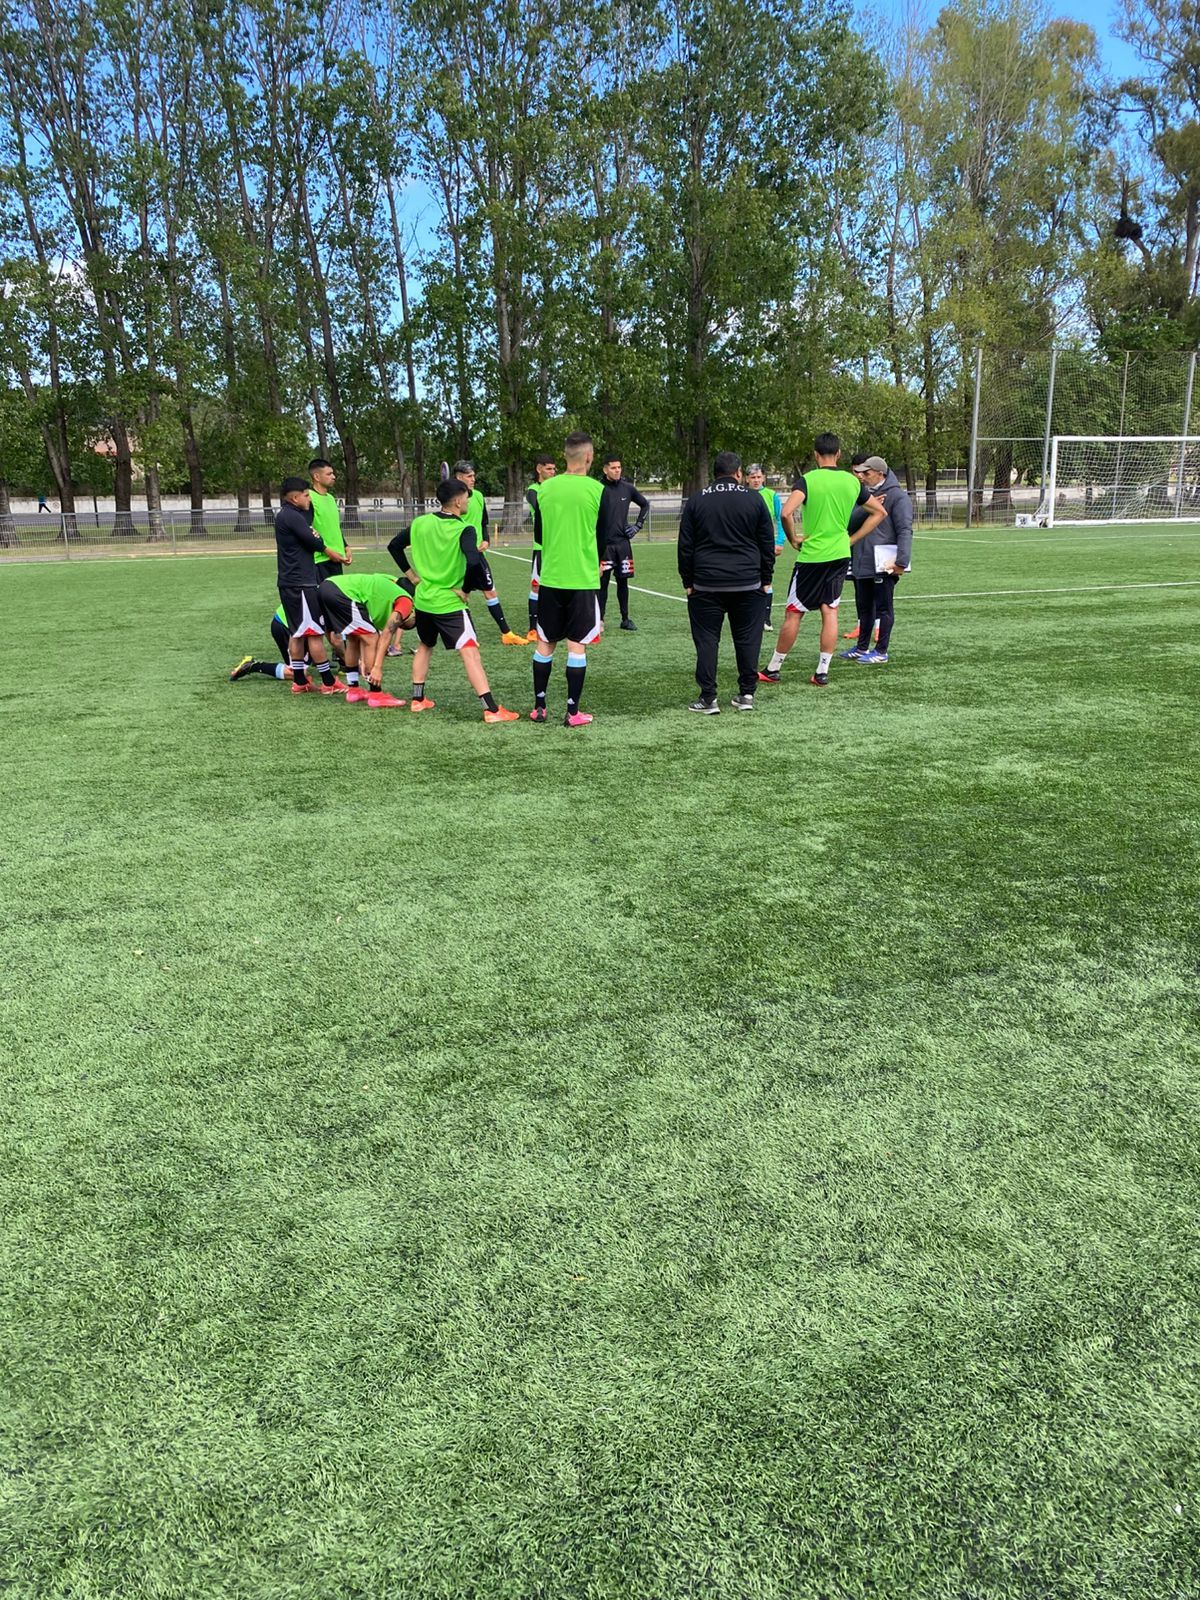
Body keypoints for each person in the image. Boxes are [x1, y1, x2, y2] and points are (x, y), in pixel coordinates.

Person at [757, 433, 886, 687]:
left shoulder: (807, 480)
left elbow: (786, 512)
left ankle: (773, 668)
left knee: (794, 612)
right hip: (839, 555)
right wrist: (851, 540)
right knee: (830, 610)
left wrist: (793, 539)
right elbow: (879, 512)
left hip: (812, 556)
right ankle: (822, 671)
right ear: (838, 454)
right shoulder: (852, 481)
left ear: (816, 455)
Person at [396, 477, 519, 722]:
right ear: (457, 501)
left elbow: (394, 546)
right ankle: (491, 710)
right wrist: (465, 589)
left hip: (424, 600)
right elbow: (474, 562)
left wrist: (411, 575)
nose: (468, 502)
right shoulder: (464, 529)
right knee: (470, 653)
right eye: (466, 498)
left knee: (425, 645)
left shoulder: (420, 523)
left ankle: (418, 700)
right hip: (449, 603)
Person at [678, 452, 776, 713]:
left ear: (715, 473)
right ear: (739, 473)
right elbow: (766, 542)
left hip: (706, 582)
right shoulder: (754, 499)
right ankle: (746, 694)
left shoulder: (698, 499)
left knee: (707, 641)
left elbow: (685, 545)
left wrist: (688, 580)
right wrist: (766, 578)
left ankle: (708, 698)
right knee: (748, 639)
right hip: (748, 582)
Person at [530, 432, 604, 725]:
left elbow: (539, 533)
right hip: (582, 579)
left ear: (564, 456)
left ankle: (539, 708)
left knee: (545, 643)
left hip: (551, 577)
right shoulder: (597, 490)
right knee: (577, 645)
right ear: (589, 456)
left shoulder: (545, 489)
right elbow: (604, 535)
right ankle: (572, 712)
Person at [274, 475, 347, 694]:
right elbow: (315, 541)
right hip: (301, 583)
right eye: (306, 495)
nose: (309, 499)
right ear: (295, 498)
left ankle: (299, 681)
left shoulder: (287, 514)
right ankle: (328, 682)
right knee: (314, 633)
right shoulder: (292, 517)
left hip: (289, 582)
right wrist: (318, 538)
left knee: (297, 633)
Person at [842, 455, 913, 665]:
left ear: (880, 474)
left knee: (884, 608)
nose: (862, 477)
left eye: (867, 473)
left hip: (884, 563)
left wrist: (901, 561)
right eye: (860, 473)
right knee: (864, 607)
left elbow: (905, 530)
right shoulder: (862, 494)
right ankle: (861, 647)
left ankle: (881, 651)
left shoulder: (898, 497)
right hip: (861, 560)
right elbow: (849, 523)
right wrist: (867, 509)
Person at [452, 458, 526, 644]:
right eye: (469, 476)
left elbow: (483, 522)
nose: (473, 479)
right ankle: (467, 635)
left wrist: (486, 539)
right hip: (459, 555)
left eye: (473, 476)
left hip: (478, 554)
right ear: (459, 477)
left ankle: (506, 634)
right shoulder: (453, 500)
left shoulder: (478, 496)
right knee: (459, 594)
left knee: (489, 591)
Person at [318, 570, 417, 704]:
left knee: (353, 638)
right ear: (413, 612)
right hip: (342, 592)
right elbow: (387, 633)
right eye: (403, 624)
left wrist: (365, 660)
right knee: (372, 638)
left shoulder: (390, 584)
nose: (401, 625)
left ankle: (354, 690)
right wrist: (377, 667)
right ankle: (376, 694)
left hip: (328, 586)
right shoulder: (407, 601)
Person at [598, 455, 649, 632]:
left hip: (623, 545)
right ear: (605, 469)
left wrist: (637, 526)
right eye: (613, 468)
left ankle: (625, 619)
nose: (617, 470)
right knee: (602, 583)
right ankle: (599, 620)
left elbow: (645, 505)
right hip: (604, 546)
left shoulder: (627, 488)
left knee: (623, 582)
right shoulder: (597, 489)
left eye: (619, 467)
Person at [746, 463, 785, 630]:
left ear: (763, 478)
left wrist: (780, 542)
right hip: (747, 546)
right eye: (753, 477)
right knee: (747, 579)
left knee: (766, 579)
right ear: (746, 479)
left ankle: (765, 619)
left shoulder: (771, 495)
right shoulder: (743, 495)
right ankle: (749, 617)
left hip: (765, 545)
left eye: (759, 477)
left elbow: (781, 519)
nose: (756, 480)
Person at [524, 453, 557, 641]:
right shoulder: (533, 490)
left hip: (558, 545)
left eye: (554, 469)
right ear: (539, 469)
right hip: (541, 547)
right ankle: (532, 629)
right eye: (548, 469)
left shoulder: (555, 488)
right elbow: (542, 508)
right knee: (536, 587)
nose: (552, 472)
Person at [309, 458, 349, 582]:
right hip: (320, 561)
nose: (333, 477)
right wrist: (327, 551)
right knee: (323, 594)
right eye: (329, 474)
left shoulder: (331, 498)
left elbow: (334, 526)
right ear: (316, 476)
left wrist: (346, 547)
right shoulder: (309, 498)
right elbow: (307, 530)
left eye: (333, 473)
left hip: (336, 558)